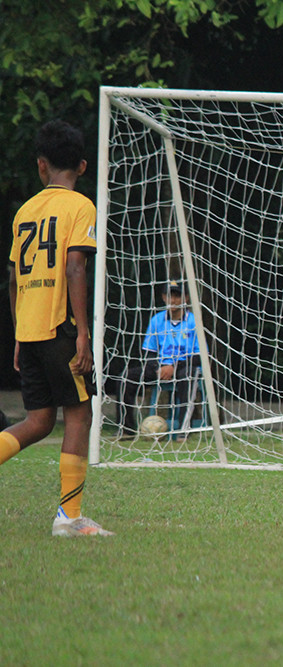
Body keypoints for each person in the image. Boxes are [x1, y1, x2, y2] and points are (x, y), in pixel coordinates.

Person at [0, 120, 112, 537]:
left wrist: (16, 332)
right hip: (60, 328)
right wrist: (82, 333)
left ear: (41, 166)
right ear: (82, 166)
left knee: (38, 421)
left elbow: (13, 278)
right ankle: (70, 518)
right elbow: (74, 265)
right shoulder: (81, 206)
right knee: (79, 416)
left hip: (28, 329)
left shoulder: (24, 210)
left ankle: (70, 517)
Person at [118, 281, 200, 435]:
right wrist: (159, 368)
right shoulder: (157, 320)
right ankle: (126, 429)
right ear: (163, 297)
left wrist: (173, 367)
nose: (173, 300)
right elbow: (149, 353)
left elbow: (199, 356)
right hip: (159, 367)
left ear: (186, 298)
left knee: (187, 376)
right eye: (169, 296)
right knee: (126, 377)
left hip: (184, 367)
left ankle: (183, 430)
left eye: (177, 296)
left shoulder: (194, 321)